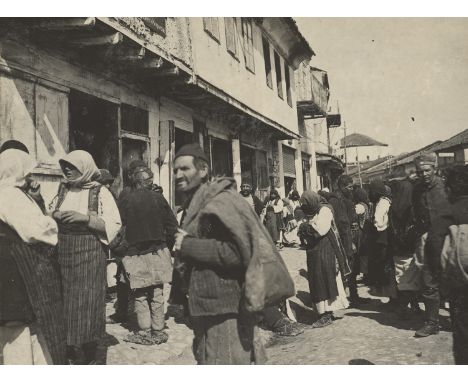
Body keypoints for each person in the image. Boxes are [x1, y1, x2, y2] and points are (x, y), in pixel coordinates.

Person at [172, 143, 265, 365]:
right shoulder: (195, 203)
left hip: (225, 308)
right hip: (206, 306)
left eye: (184, 169)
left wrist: (187, 245)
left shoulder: (218, 201)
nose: (177, 175)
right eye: (175, 170)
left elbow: (235, 252)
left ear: (203, 170)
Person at [50, 150, 122, 364]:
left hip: (89, 256)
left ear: (85, 167)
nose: (67, 170)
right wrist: (55, 215)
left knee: (88, 304)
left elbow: (114, 227)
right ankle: (70, 350)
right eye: (64, 166)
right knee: (65, 303)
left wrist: (85, 219)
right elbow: (50, 211)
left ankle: (89, 355)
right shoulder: (63, 189)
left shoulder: (100, 192)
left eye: (72, 166)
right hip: (63, 255)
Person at [0, 149, 66, 364]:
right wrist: (53, 223)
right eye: (26, 172)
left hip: (12, 266)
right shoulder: (9, 195)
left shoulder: (9, 193)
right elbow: (36, 230)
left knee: (29, 331)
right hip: (17, 268)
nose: (29, 177)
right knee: (18, 335)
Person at [117, 166, 178, 345]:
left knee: (140, 293)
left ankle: (144, 333)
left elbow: (118, 226)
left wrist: (120, 251)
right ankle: (158, 331)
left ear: (135, 181)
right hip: (158, 251)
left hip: (134, 253)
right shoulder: (159, 198)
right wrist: (166, 245)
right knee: (157, 292)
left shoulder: (125, 200)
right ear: (147, 181)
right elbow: (172, 226)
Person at [412, 152, 451, 337]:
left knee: (455, 281)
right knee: (429, 281)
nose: (424, 174)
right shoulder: (417, 189)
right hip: (428, 240)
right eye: (420, 171)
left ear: (434, 169)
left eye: (427, 170)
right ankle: (432, 322)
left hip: (447, 239)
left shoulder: (446, 187)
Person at [299, 191, 350, 328]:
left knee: (324, 277)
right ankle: (323, 312)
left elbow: (320, 229)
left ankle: (326, 314)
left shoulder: (325, 210)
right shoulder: (313, 210)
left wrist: (304, 227)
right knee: (317, 277)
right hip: (316, 249)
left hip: (326, 248)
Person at [434, 165, 468, 364]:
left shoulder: (448, 213)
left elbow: (433, 247)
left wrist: (441, 280)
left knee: (463, 335)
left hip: (459, 285)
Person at [328, 175, 359, 303]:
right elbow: (343, 222)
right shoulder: (336, 199)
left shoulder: (345, 197)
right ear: (342, 186)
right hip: (344, 238)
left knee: (351, 265)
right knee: (346, 264)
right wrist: (350, 242)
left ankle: (353, 294)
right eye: (349, 187)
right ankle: (346, 296)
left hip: (348, 235)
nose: (351, 189)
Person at [366, 180, 398, 301]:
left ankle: (393, 298)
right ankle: (392, 297)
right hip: (386, 237)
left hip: (383, 237)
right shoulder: (386, 200)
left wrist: (374, 225)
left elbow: (378, 222)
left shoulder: (382, 202)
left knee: (387, 268)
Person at [353, 187, 371, 285]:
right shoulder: (366, 204)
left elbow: (353, 214)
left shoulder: (360, 206)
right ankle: (366, 275)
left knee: (362, 254)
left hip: (362, 231)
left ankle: (366, 275)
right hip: (366, 230)